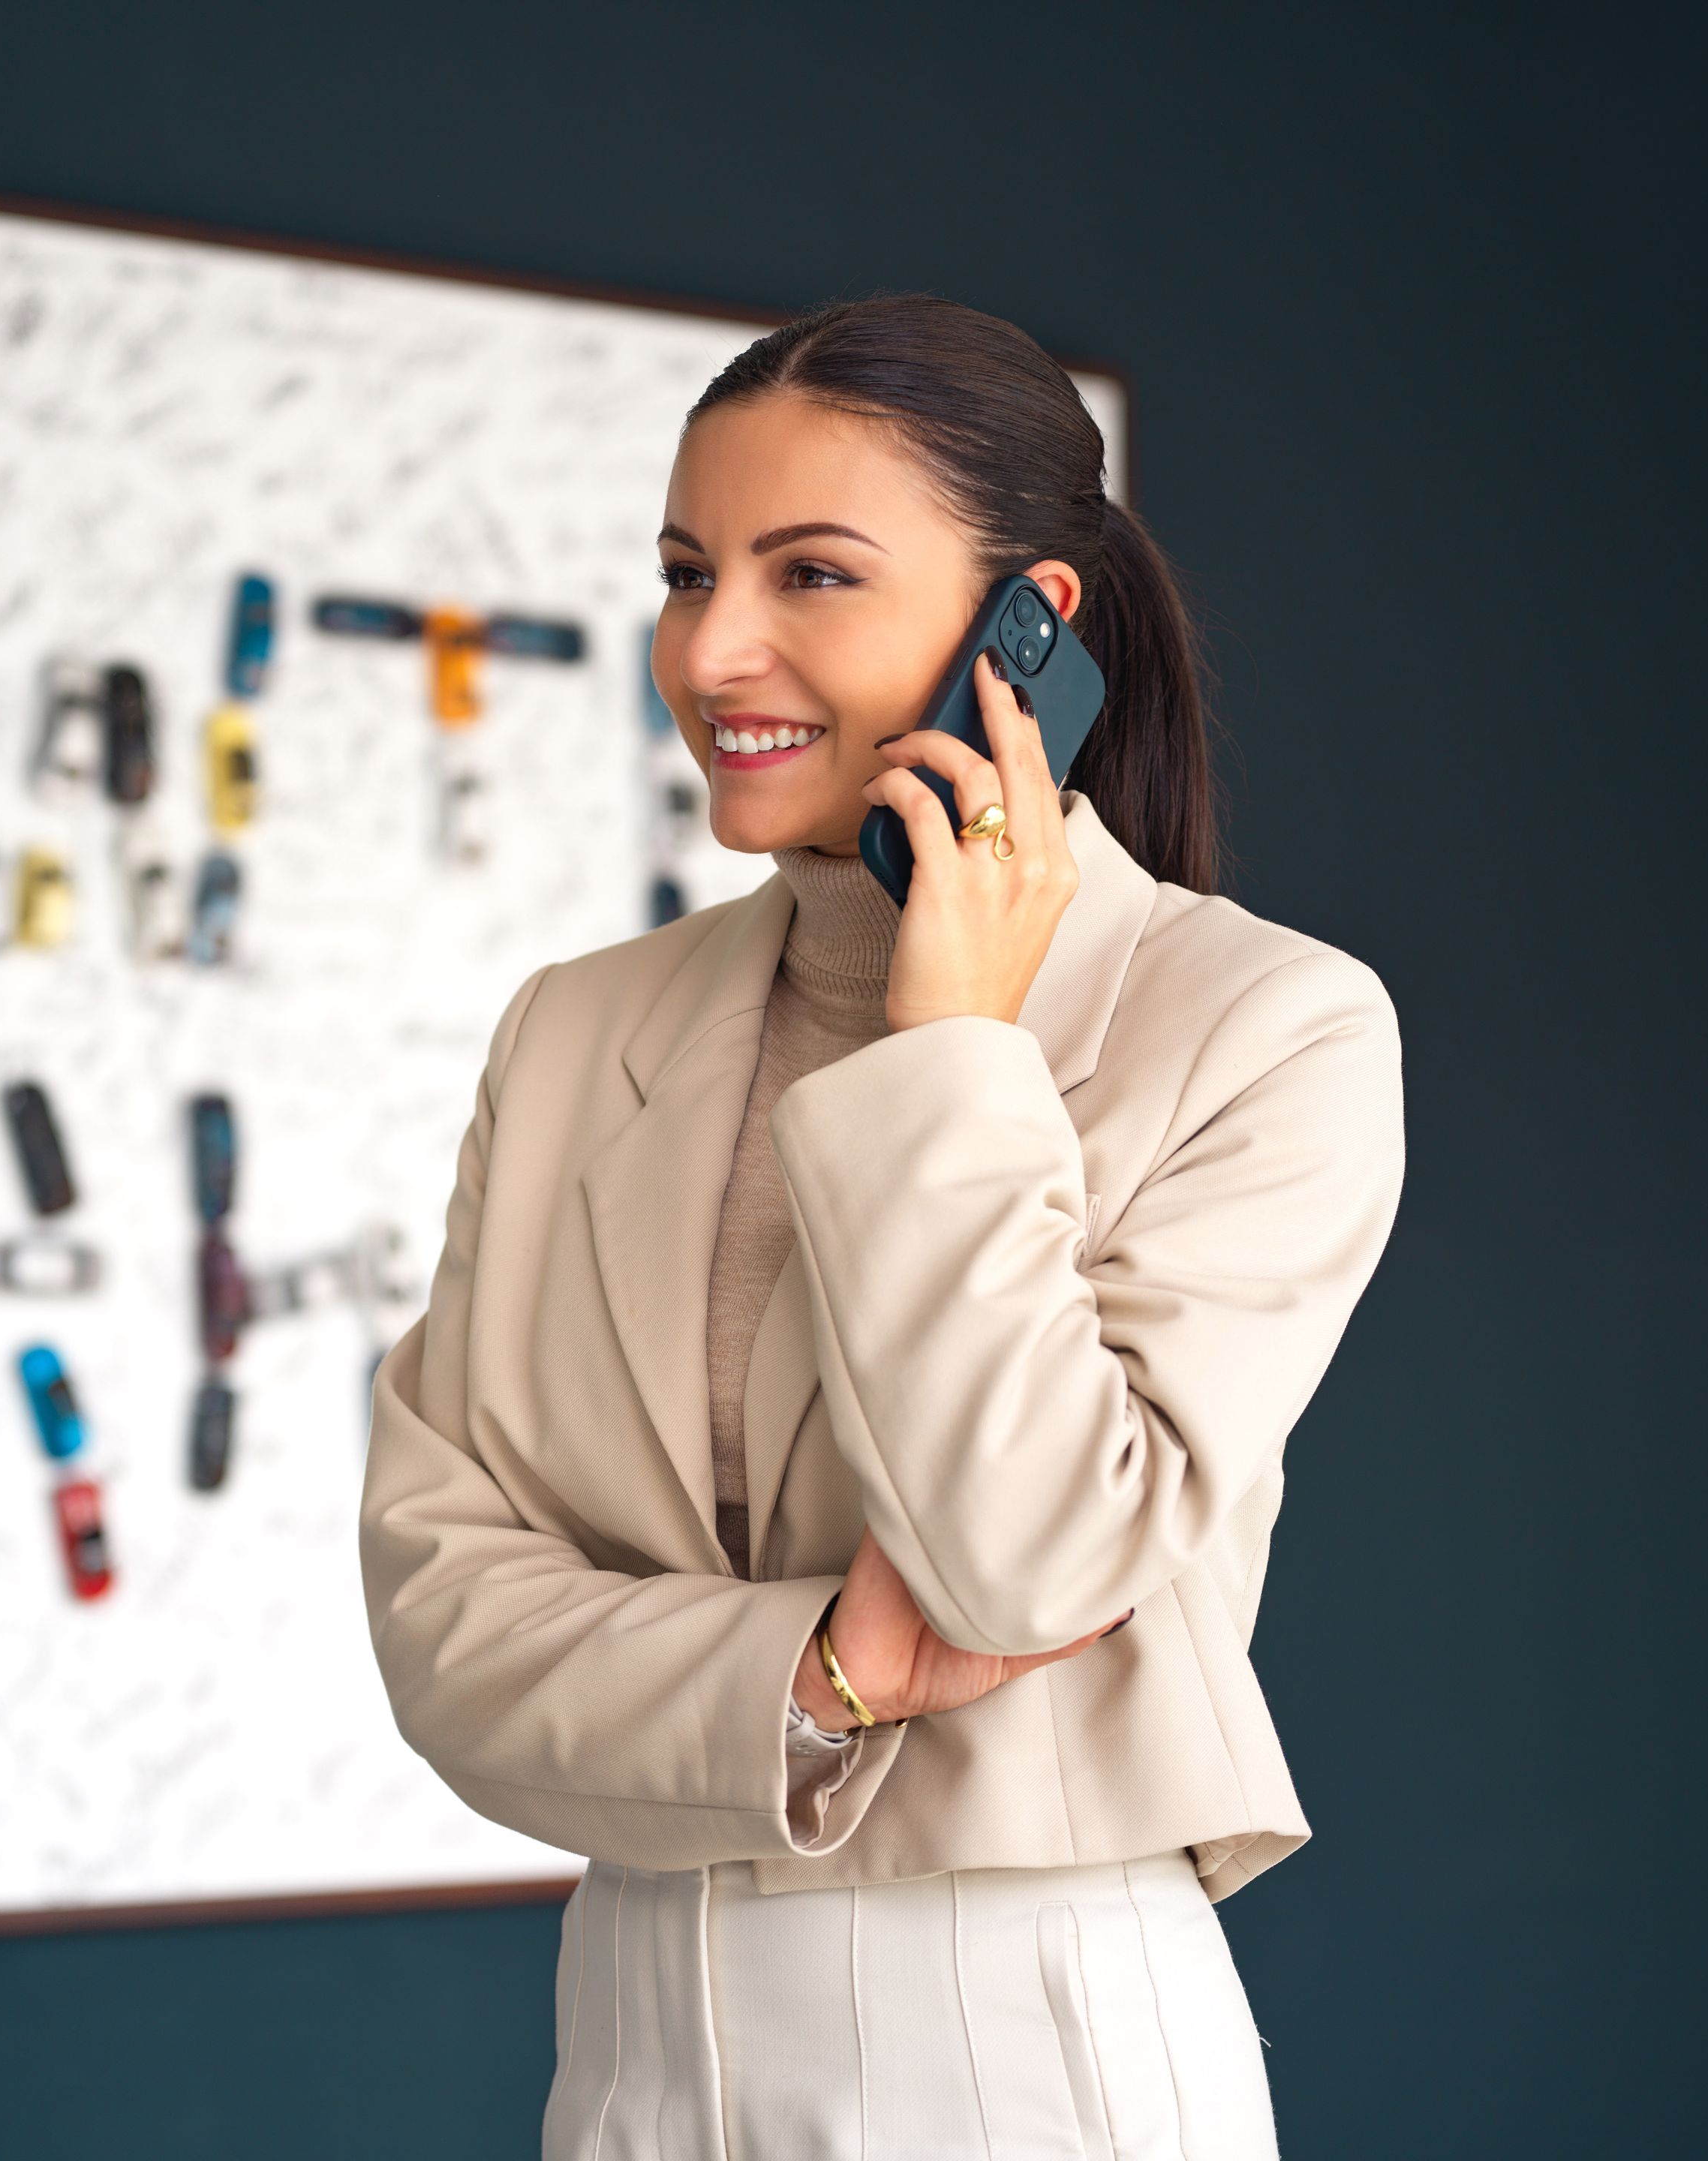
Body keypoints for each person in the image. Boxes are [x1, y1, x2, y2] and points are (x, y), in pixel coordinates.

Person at [360, 293, 1405, 2159]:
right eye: (688, 573)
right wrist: (819, 1677)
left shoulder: (1265, 1027)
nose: (713, 650)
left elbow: (1032, 1557)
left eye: (811, 575)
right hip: (624, 2062)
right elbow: (446, 1630)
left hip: (1027, 2053)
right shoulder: (576, 1028)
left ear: (1032, 630)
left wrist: (952, 1050)